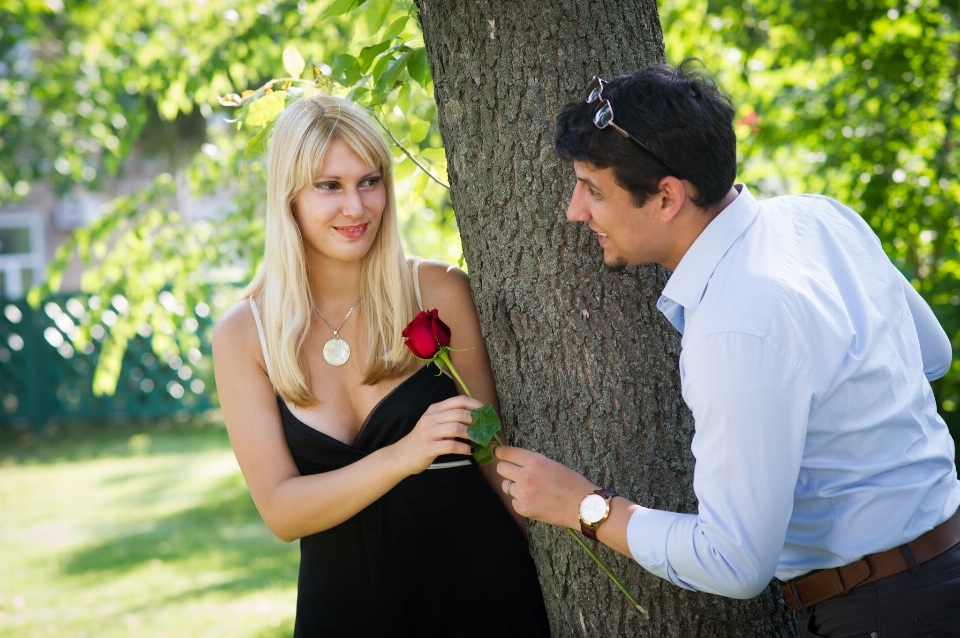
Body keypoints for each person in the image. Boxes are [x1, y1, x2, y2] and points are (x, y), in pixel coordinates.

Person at [495, 61, 960, 637]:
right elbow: (932, 353)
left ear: (667, 197)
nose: (574, 210)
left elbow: (734, 562)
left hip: (888, 614)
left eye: (593, 189)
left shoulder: (735, 325)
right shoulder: (818, 216)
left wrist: (585, 507)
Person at [213, 94, 549, 637]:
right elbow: (282, 511)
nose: (357, 207)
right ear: (288, 197)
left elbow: (496, 455)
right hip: (344, 612)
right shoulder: (245, 334)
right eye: (330, 186)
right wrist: (404, 455)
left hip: (485, 598)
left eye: (370, 181)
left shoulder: (437, 291)